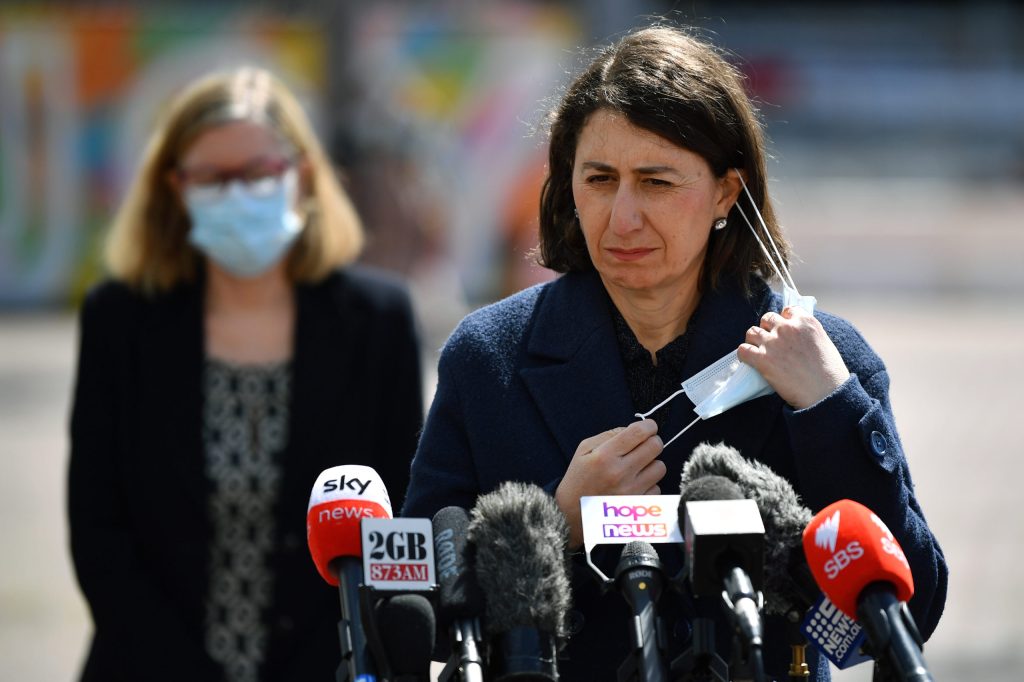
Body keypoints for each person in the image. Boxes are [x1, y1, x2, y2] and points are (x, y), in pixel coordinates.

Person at [402, 25, 947, 681]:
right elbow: (414, 613)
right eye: (600, 179)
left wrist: (833, 409)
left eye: (656, 182)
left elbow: (911, 610)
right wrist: (554, 523)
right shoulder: (488, 357)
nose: (623, 216)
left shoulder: (820, 360)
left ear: (725, 191)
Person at [67, 67, 423, 682]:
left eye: (258, 173)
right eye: (211, 177)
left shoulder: (378, 320)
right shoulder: (118, 320)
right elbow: (99, 531)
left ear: (303, 176)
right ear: (175, 189)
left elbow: (395, 518)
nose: (237, 195)